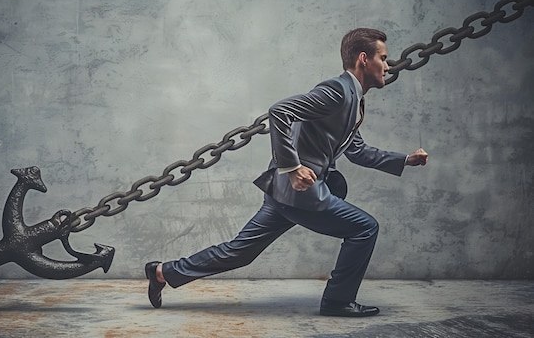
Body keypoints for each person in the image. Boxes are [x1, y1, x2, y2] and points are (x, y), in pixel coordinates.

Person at [145, 28, 429, 317]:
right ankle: (337, 301)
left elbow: (357, 150)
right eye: (384, 58)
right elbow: (280, 111)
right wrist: (292, 168)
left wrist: (405, 160)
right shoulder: (336, 91)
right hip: (299, 190)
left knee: (240, 252)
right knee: (365, 228)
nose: (389, 65)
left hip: (286, 192)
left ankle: (161, 272)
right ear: (364, 59)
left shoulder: (355, 100)